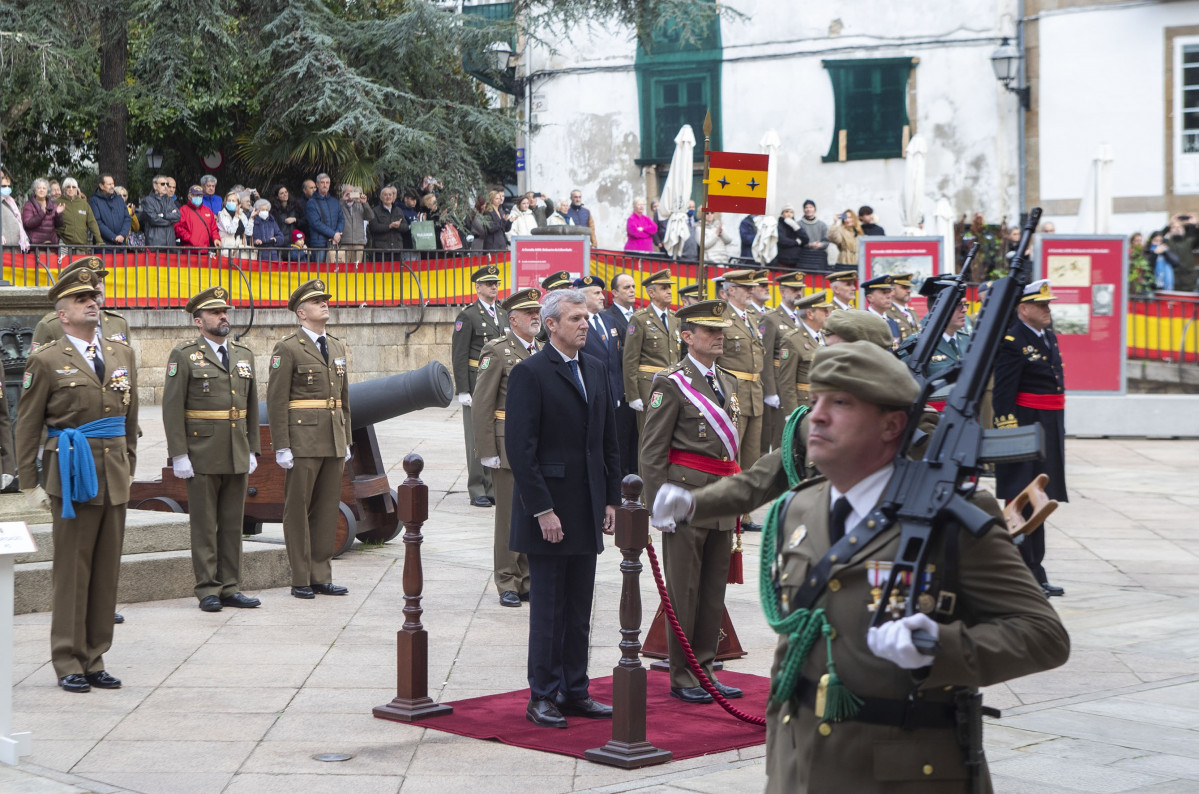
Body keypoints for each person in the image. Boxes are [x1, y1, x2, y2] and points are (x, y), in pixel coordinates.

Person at [760, 340, 1070, 792]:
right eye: (814, 402)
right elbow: (794, 647)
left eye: (841, 403)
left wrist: (938, 646)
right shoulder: (797, 508)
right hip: (800, 765)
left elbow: (1044, 636)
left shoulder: (956, 514)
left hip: (905, 772)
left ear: (891, 425)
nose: (817, 417)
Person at [15, 268, 138, 692]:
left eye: (94, 296)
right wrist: (30, 482)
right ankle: (68, 658)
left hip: (114, 473)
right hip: (70, 472)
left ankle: (95, 655)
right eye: (81, 298)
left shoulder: (122, 354)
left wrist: (130, 462)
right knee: (72, 570)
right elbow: (27, 425)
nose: (92, 301)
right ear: (62, 314)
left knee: (106, 570)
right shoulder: (46, 359)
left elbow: (130, 417)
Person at [505, 288, 620, 728]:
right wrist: (541, 510)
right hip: (549, 511)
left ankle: (575, 689)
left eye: (586, 318)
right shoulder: (531, 372)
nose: (585, 324)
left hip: (587, 504)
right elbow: (522, 449)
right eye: (575, 318)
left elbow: (607, 440)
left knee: (579, 608)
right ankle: (543, 695)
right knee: (549, 610)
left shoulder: (595, 366)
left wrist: (611, 497)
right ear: (551, 325)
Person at [640, 298, 744, 704]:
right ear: (686, 337)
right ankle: (683, 676)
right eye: (709, 331)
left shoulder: (728, 380)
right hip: (684, 499)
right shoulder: (671, 382)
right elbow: (651, 451)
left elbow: (730, 449)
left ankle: (706, 668)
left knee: (712, 590)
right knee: (683, 591)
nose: (719, 337)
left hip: (720, 499)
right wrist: (658, 504)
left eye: (720, 330)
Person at [162, 286, 262, 612]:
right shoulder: (184, 355)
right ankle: (207, 587)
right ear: (198, 320)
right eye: (215, 312)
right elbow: (172, 407)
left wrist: (253, 450)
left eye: (225, 311)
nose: (223, 317)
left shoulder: (243, 355)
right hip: (201, 450)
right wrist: (178, 454)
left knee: (233, 523)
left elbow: (250, 406)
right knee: (205, 525)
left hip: (235, 449)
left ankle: (231, 585)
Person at [266, 280, 351, 599]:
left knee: (327, 508)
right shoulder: (287, 348)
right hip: (302, 439)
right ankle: (300, 577)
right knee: (298, 509)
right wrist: (282, 445)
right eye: (317, 302)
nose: (324, 304)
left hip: (333, 437)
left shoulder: (338, 346)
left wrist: (347, 438)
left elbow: (344, 398)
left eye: (325, 300)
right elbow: (276, 400)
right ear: (302, 313)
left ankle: (321, 574)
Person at [993, 279, 1068, 598]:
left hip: (1047, 425)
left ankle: (1037, 569)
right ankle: (1024, 572)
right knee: (1022, 499)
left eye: (1048, 304)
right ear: (1023, 309)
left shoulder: (1046, 336)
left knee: (1042, 499)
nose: (1048, 309)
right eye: (1042, 305)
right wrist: (1010, 433)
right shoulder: (1013, 340)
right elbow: (1004, 393)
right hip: (1025, 426)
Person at [473, 288, 542, 608]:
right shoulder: (497, 350)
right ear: (512, 319)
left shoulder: (542, 349)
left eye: (537, 312)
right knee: (509, 517)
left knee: (534, 512)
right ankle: (506, 579)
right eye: (529, 313)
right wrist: (488, 449)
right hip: (508, 444)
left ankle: (527, 579)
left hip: (538, 445)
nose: (535, 317)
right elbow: (482, 404)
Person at [452, 265, 506, 508]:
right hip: (477, 381)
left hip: (500, 381)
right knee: (476, 434)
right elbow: (460, 354)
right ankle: (477, 488)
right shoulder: (468, 315)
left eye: (496, 282)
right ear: (478, 287)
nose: (494, 286)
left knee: (495, 432)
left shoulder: (503, 313)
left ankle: (493, 486)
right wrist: (463, 389)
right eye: (488, 283)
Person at [716, 271, 766, 523]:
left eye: (751, 287)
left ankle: (744, 513)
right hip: (733, 392)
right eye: (744, 287)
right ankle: (727, 510)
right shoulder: (722, 317)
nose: (750, 291)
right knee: (730, 454)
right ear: (730, 290)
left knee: (751, 458)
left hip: (754, 393)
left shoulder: (751, 318)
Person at [623, 269, 680, 433]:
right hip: (650, 389)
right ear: (651, 293)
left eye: (670, 287)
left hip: (673, 387)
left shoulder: (675, 318)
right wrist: (633, 395)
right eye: (664, 288)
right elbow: (630, 360)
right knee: (650, 439)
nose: (669, 291)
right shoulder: (640, 319)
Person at [32, 256, 131, 349]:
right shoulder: (50, 326)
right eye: (90, 283)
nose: (97, 286)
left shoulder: (119, 323)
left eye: (100, 281)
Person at [761, 273, 805, 449]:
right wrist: (770, 391)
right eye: (794, 290)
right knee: (781, 435)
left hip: (797, 383)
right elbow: (766, 355)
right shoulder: (771, 319)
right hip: (780, 384)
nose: (798, 293)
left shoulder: (802, 317)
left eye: (800, 289)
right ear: (782, 291)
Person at [605, 272, 639, 477]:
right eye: (626, 287)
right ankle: (623, 481)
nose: (632, 290)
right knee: (621, 439)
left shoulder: (640, 316)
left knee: (639, 438)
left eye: (633, 286)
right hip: (621, 389)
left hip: (640, 389)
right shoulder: (608, 318)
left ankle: (636, 477)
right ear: (614, 293)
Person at [924, 292, 969, 379]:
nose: (964, 310)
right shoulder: (919, 345)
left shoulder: (968, 340)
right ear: (940, 309)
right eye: (959, 305)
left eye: (965, 304)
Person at [305, 173, 344, 262]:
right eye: (322, 182)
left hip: (334, 243)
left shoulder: (335, 201)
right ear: (317, 184)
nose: (325, 185)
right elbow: (315, 223)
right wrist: (333, 234)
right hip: (319, 244)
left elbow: (341, 219)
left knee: (335, 272)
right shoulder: (311, 202)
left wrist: (337, 234)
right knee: (320, 272)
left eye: (327, 182)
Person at [56, 177, 103, 250]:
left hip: (81, 245)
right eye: (68, 187)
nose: (71, 189)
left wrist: (99, 240)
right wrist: (62, 230)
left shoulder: (84, 204)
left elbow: (92, 223)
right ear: (64, 189)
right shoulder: (57, 202)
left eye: (74, 187)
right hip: (63, 245)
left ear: (77, 189)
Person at [86, 174, 129, 249]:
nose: (112, 186)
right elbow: (97, 222)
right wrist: (113, 237)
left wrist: (122, 235)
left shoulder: (119, 199)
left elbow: (127, 218)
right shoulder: (94, 201)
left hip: (121, 245)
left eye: (113, 183)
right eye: (109, 184)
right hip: (104, 246)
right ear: (101, 186)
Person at [22, 177, 63, 252]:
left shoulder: (53, 205)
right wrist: (41, 214)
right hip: (36, 247)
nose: (41, 190)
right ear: (34, 190)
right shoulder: (29, 205)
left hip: (52, 247)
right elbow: (27, 223)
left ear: (47, 191)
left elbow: (59, 225)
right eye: (39, 188)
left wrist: (58, 214)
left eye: (44, 188)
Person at [141, 175, 181, 248]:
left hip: (170, 243)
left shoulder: (170, 200)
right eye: (163, 184)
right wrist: (170, 221)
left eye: (167, 184)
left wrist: (163, 215)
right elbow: (153, 219)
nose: (166, 186)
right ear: (155, 186)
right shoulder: (148, 201)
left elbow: (177, 216)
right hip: (155, 243)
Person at [176, 186, 220, 251]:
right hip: (189, 250)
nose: (198, 197)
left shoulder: (207, 211)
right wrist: (190, 238)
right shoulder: (183, 210)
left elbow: (213, 228)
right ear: (189, 196)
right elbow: (178, 228)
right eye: (195, 195)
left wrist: (216, 239)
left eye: (200, 195)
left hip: (205, 250)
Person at [861, 275, 900, 348]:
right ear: (870, 298)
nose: (889, 296)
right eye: (884, 292)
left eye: (889, 292)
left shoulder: (892, 322)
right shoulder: (864, 322)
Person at [339, 184, 374, 263]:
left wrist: (365, 203)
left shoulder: (360, 205)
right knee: (343, 269)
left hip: (358, 242)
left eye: (352, 192)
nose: (350, 195)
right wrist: (343, 199)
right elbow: (334, 212)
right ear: (342, 194)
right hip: (344, 242)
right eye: (347, 193)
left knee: (356, 269)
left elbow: (370, 216)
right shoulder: (340, 205)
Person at [1163, 213, 1199, 292]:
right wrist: (1169, 224)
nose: (1177, 229)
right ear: (1170, 230)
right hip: (1172, 278)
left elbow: (1197, 238)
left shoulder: (1189, 241)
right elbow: (1158, 237)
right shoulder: (1167, 242)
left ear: (1183, 229)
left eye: (1179, 227)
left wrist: (1196, 225)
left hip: (1189, 279)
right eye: (1174, 227)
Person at [368, 185, 409, 253]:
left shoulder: (398, 210)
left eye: (390, 195)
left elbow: (406, 227)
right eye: (385, 195)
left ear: (393, 197)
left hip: (397, 249)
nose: (388, 197)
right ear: (381, 197)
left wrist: (399, 226)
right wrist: (389, 226)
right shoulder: (375, 211)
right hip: (381, 249)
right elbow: (373, 227)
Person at [1, 169, 30, 253]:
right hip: (4, 247)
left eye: (9, 186)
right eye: (3, 186)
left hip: (15, 247)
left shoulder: (12, 201)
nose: (7, 188)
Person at [796, 200, 830, 270]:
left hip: (819, 258)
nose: (808, 209)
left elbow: (827, 241)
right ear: (804, 210)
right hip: (803, 257)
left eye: (811, 207)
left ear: (814, 209)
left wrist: (820, 245)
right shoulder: (798, 225)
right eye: (806, 207)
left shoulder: (822, 225)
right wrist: (809, 245)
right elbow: (796, 241)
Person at [775, 203, 810, 269]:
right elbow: (782, 241)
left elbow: (806, 240)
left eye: (791, 212)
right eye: (786, 211)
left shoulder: (796, 225)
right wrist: (797, 242)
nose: (789, 214)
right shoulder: (778, 226)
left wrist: (796, 227)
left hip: (797, 262)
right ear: (782, 214)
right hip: (782, 261)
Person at [886, 273, 920, 341]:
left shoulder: (912, 312)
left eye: (909, 287)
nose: (909, 291)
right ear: (892, 290)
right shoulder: (887, 313)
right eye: (904, 287)